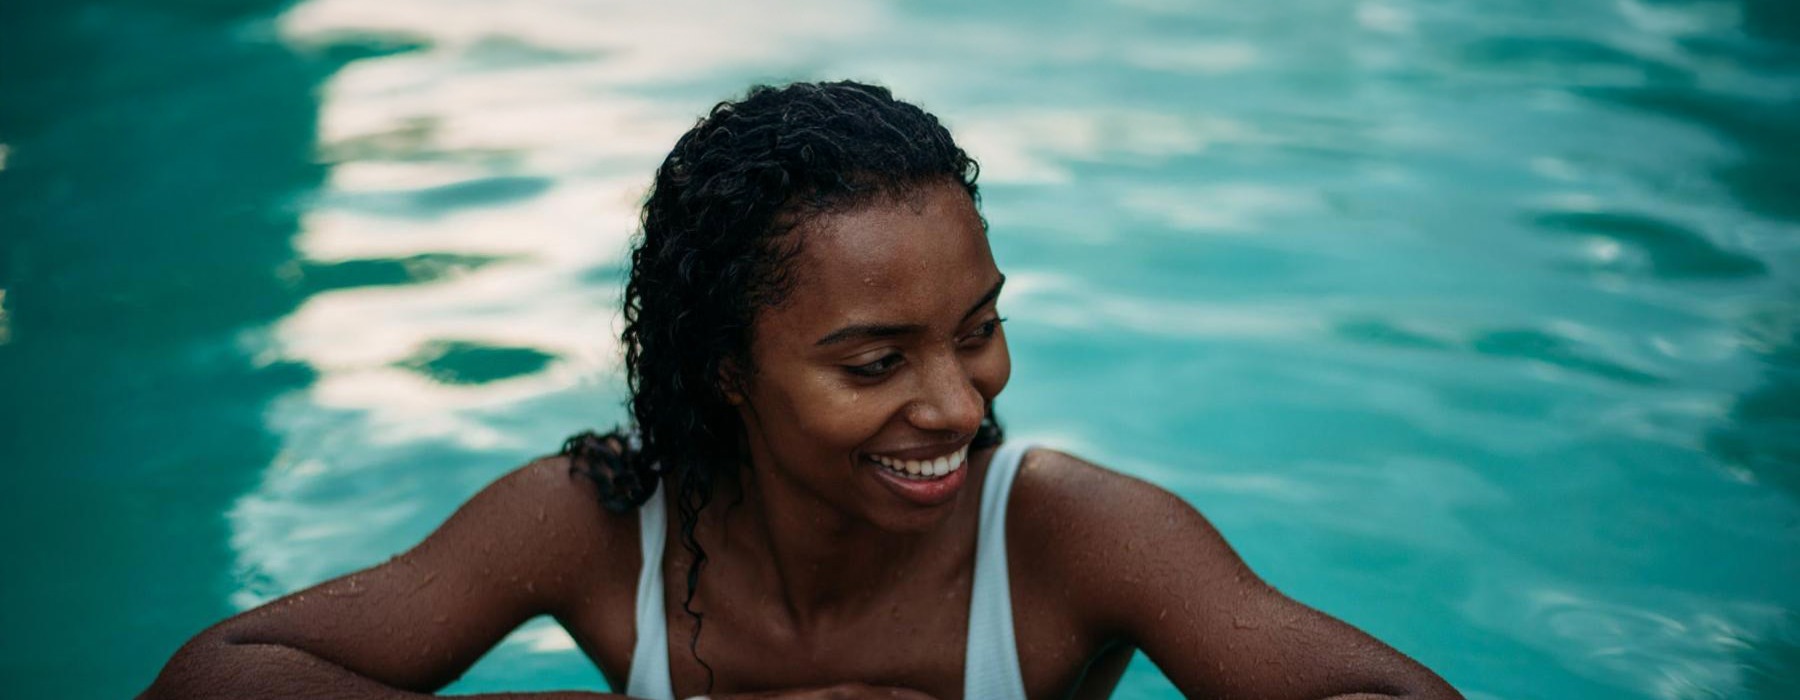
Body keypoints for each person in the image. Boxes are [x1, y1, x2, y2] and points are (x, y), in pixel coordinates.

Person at [142, 81, 1462, 700]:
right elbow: (219, 675)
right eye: (876, 363)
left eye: (980, 330)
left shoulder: (1064, 539)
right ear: (728, 371)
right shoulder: (601, 523)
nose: (958, 403)